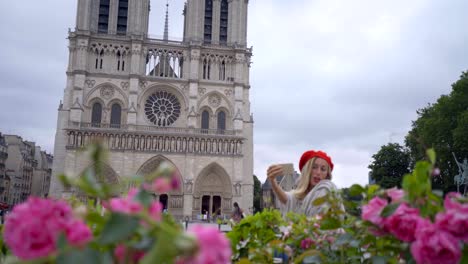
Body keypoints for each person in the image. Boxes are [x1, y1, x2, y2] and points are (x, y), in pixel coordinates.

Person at [267, 150, 341, 217]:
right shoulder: (297, 198)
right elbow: (286, 199)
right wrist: (273, 180)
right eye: (314, 167)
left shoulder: (327, 191)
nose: (318, 172)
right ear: (307, 170)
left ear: (327, 174)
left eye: (323, 169)